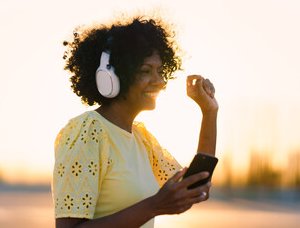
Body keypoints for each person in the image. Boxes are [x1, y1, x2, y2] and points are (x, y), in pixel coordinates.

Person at [52, 15, 218, 228]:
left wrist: (209, 112)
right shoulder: (87, 131)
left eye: (160, 71)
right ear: (111, 77)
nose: (159, 81)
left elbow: (195, 189)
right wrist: (154, 206)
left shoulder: (142, 139)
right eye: (145, 71)